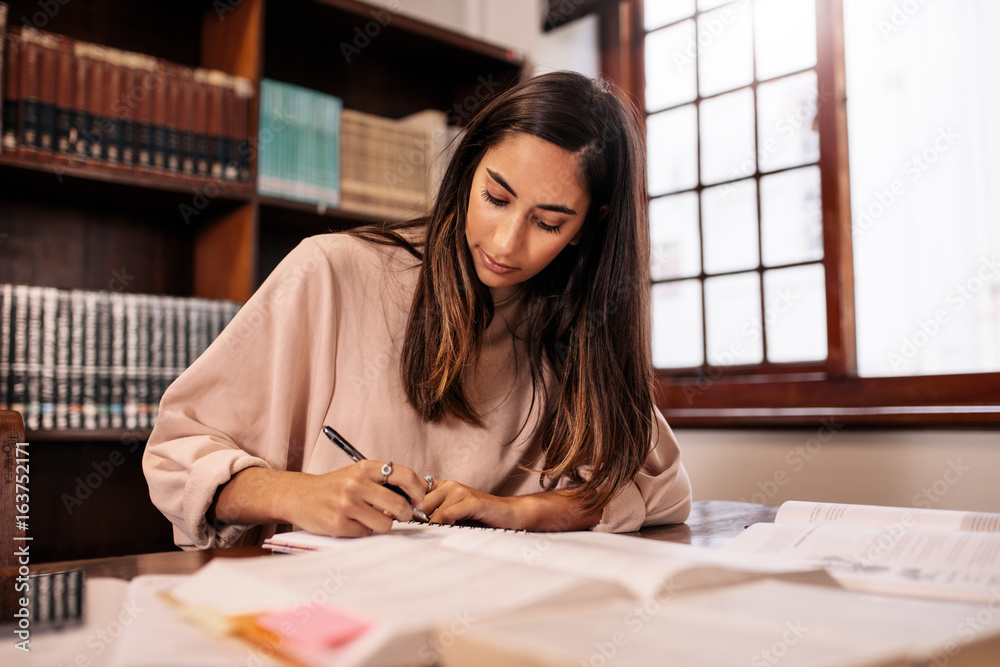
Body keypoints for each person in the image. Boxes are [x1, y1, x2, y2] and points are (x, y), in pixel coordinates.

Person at [143, 70, 691, 549]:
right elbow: (176, 452)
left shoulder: (580, 320)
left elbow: (660, 489)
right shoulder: (332, 272)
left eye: (548, 223)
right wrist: (297, 492)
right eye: (496, 198)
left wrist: (522, 512)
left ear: (587, 228)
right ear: (468, 171)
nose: (504, 244)